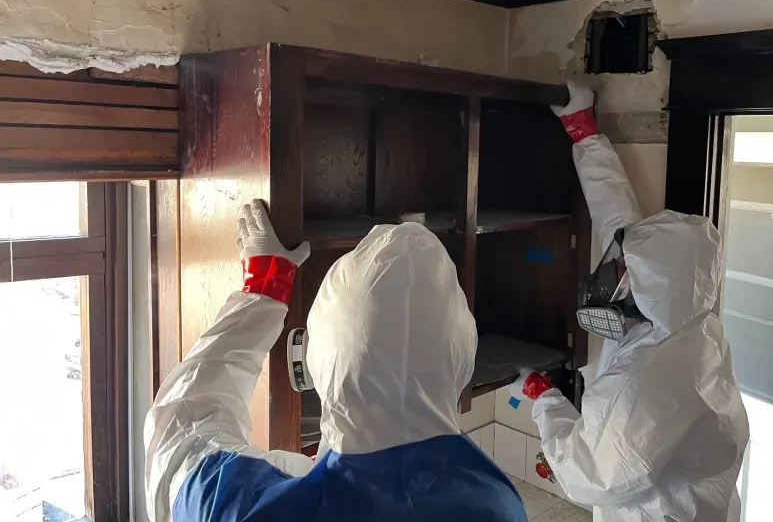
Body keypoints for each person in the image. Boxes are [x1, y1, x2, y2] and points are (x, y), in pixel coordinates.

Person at [145, 200, 527, 522]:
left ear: (321, 359)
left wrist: (265, 286)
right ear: (461, 357)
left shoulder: (264, 511)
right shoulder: (499, 502)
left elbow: (181, 431)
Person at [510, 81, 749, 522]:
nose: (608, 272)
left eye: (620, 269)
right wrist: (583, 133)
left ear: (649, 285)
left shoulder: (651, 382)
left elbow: (589, 476)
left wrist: (541, 398)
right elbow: (620, 226)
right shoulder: (689, 321)